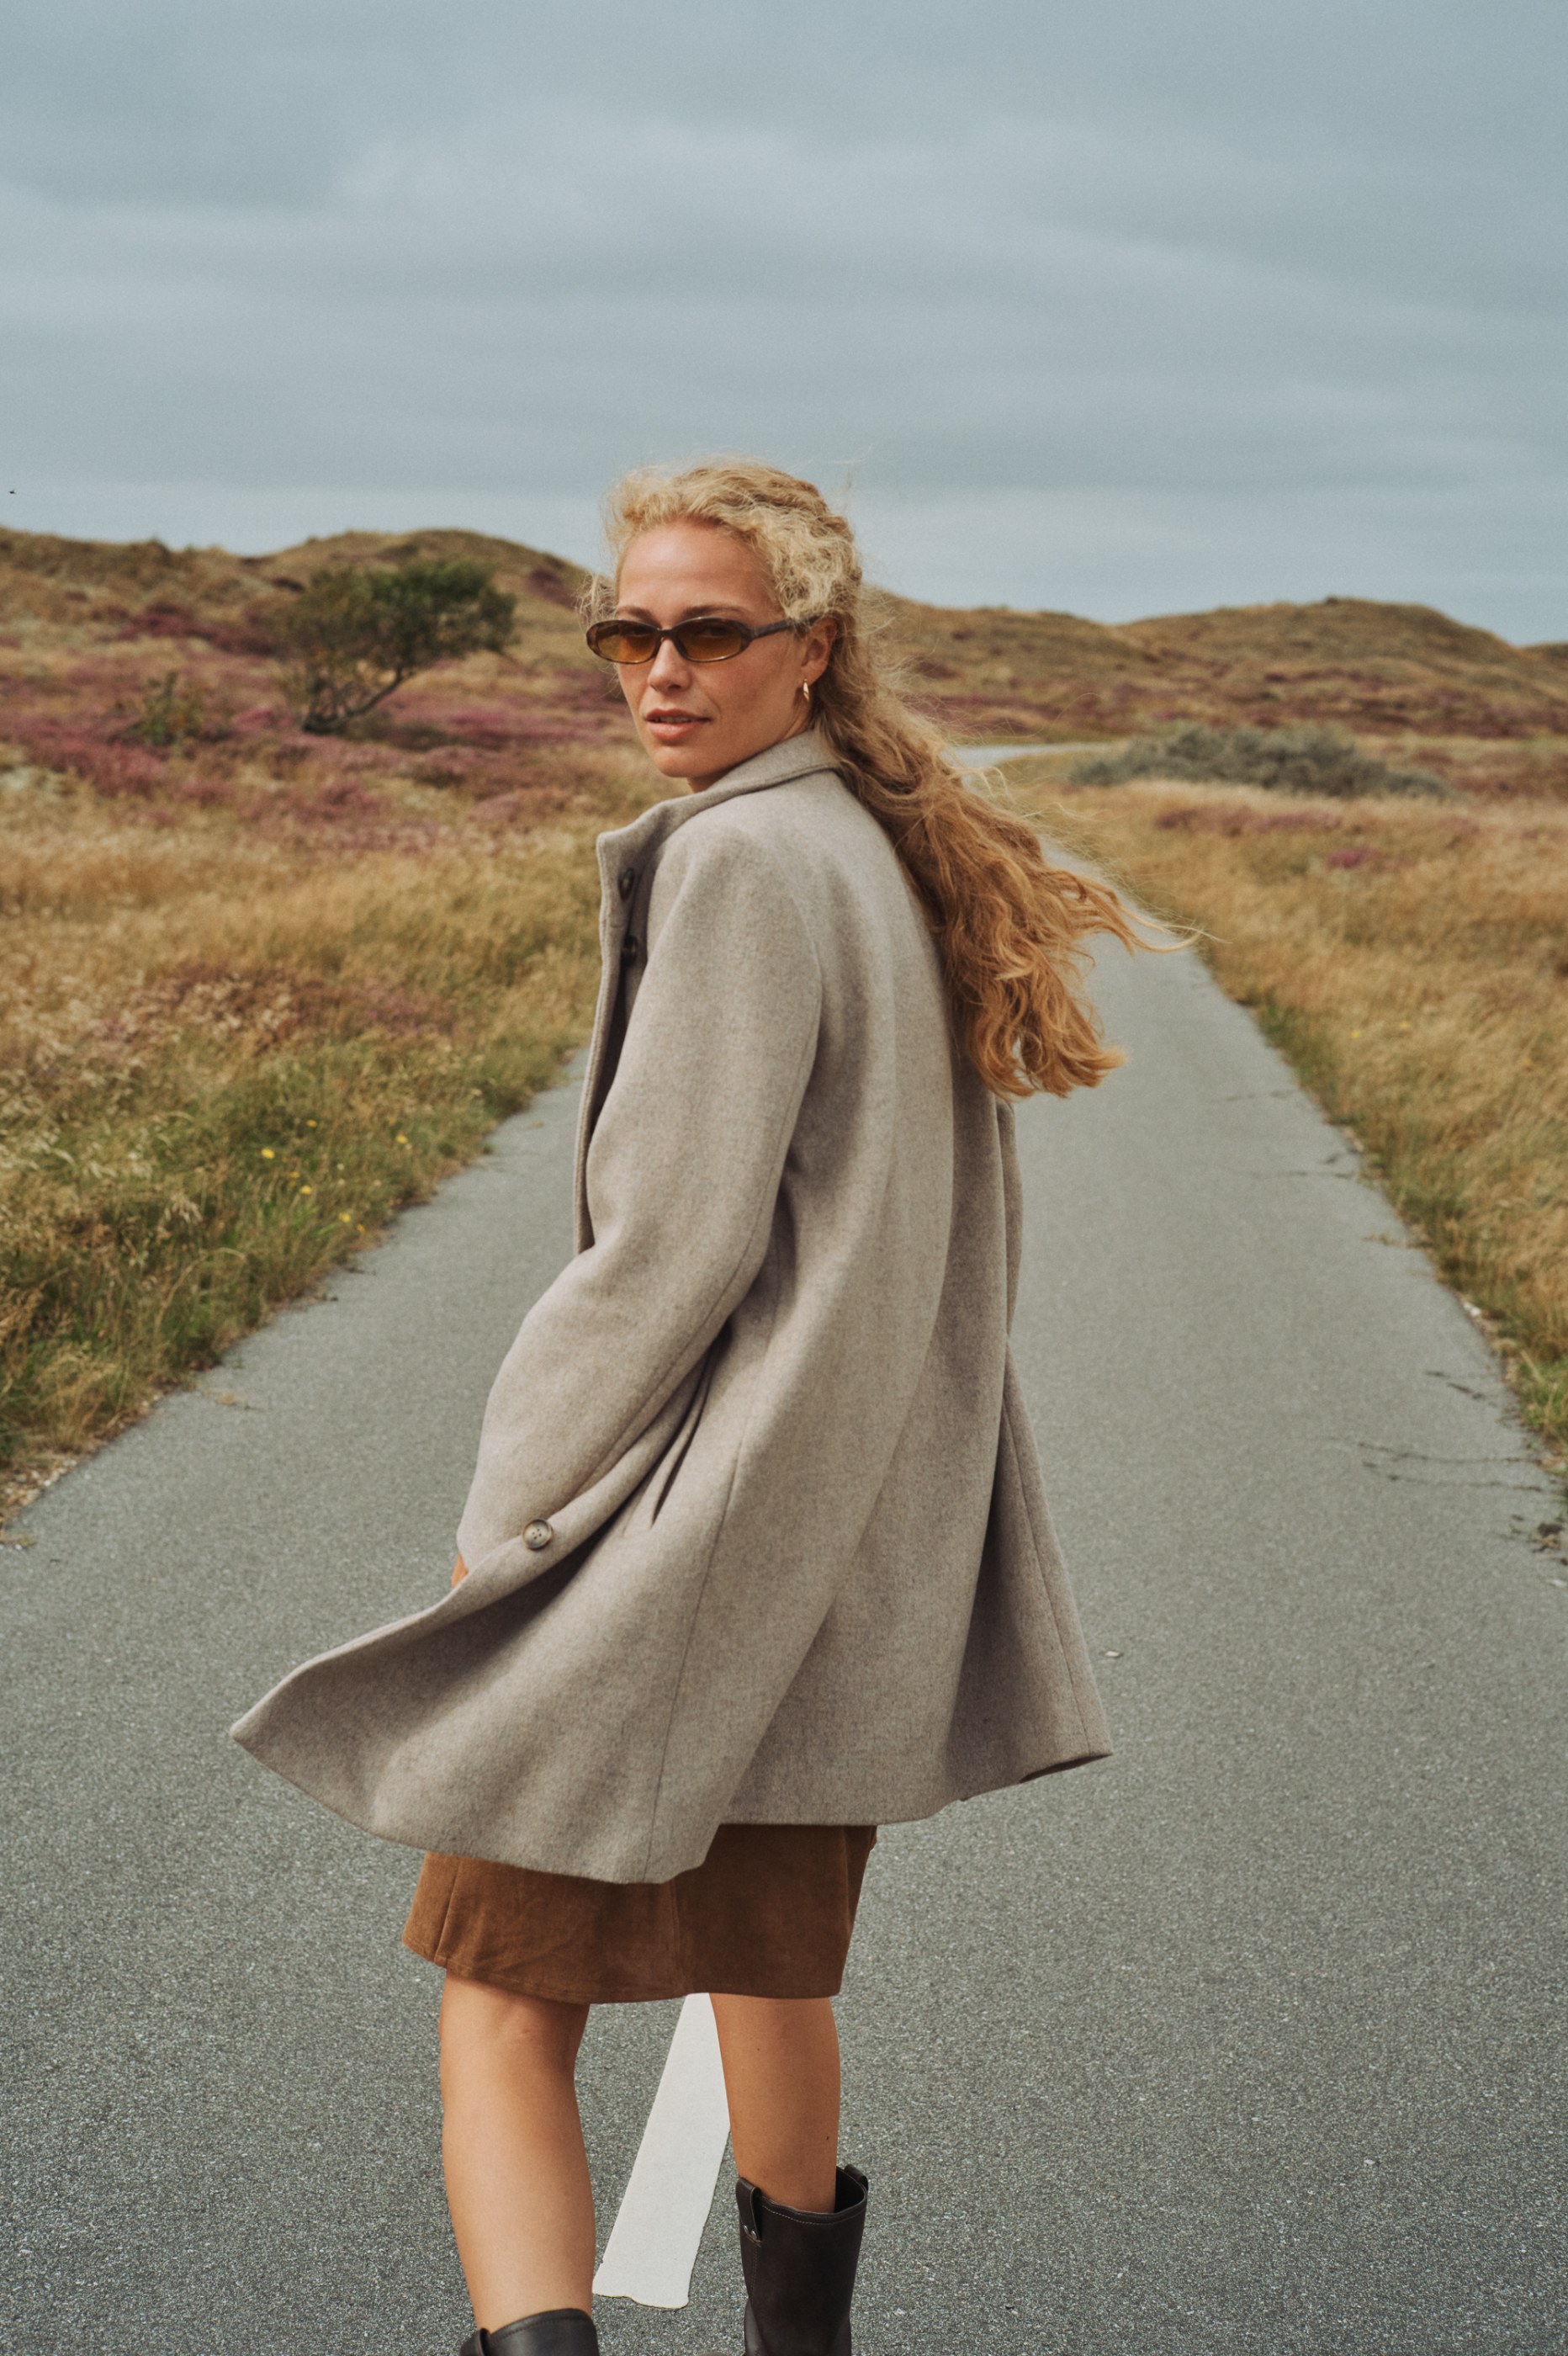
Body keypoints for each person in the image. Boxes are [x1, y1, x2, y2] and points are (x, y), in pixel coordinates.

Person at [235, 459, 1142, 2356]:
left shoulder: (738, 859)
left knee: (494, 1994)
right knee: (771, 1972)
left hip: (674, 1548)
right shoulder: (877, 844)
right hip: (833, 1548)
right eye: (628, 630)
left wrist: (512, 1519)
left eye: (707, 630)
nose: (659, 667)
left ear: (806, 651)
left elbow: (663, 1250)